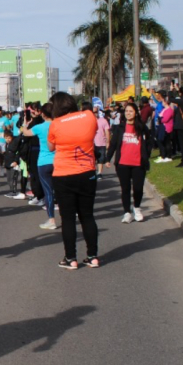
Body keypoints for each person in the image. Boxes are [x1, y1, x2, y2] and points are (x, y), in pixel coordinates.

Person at [48, 92, 101, 270]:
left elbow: (51, 146)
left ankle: (71, 258)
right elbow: (93, 134)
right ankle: (93, 256)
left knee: (68, 218)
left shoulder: (56, 124)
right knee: (87, 215)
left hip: (64, 174)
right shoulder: (88, 116)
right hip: (87, 172)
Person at [105, 102, 153, 223]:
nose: (128, 113)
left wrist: (146, 156)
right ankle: (127, 212)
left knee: (138, 188)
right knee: (125, 189)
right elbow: (113, 144)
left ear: (136, 113)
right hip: (123, 164)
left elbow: (149, 142)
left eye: (131, 111)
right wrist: (108, 158)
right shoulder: (120, 128)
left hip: (138, 164)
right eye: (126, 111)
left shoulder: (142, 127)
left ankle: (136, 208)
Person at [21, 103, 56, 230]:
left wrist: (25, 122)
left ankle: (52, 220)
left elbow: (25, 133)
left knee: (48, 192)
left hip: (44, 162)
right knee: (62, 191)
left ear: (42, 113)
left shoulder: (39, 127)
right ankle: (71, 214)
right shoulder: (59, 126)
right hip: (59, 162)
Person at [156, 95, 175, 163]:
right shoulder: (164, 109)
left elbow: (165, 119)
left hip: (167, 128)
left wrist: (160, 119)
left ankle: (168, 156)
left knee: (167, 142)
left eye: (163, 101)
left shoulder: (169, 110)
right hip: (162, 127)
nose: (162, 103)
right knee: (162, 141)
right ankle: (163, 155)